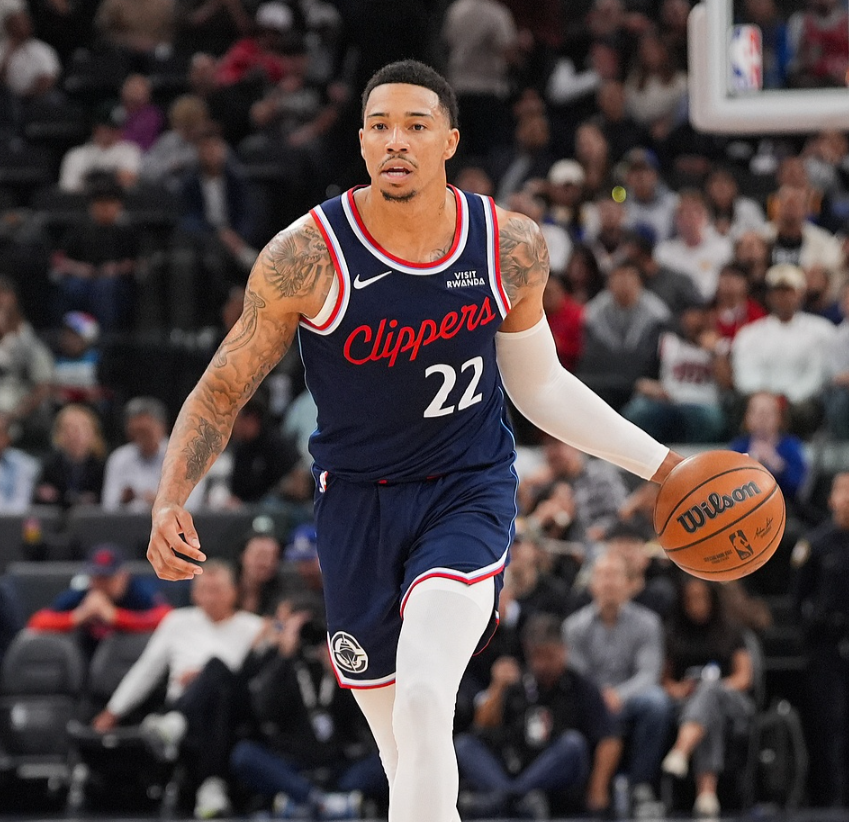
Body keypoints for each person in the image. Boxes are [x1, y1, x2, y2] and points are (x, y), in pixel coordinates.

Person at [145, 60, 682, 822]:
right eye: (379, 127)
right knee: (404, 754)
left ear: (449, 141)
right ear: (362, 143)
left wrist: (663, 466)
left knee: (427, 696)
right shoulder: (306, 256)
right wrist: (170, 497)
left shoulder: (506, 245)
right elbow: (222, 389)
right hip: (355, 506)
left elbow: (540, 387)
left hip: (466, 490)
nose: (395, 140)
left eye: (415, 126)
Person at [91, 560, 264, 819]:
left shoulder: (253, 627)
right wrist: (113, 711)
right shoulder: (177, 622)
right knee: (210, 689)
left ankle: (175, 723)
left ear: (233, 592)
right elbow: (146, 670)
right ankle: (211, 786)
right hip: (186, 704)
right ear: (194, 594)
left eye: (217, 590)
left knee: (215, 669)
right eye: (204, 590)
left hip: (233, 713)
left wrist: (204, 676)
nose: (211, 597)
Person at [454, 613, 621, 817]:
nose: (542, 664)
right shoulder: (517, 683)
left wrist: (598, 789)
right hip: (515, 766)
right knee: (464, 745)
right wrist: (497, 687)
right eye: (536, 656)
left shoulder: (581, 686)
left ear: (563, 650)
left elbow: (609, 739)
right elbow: (482, 725)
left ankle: (504, 799)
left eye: (549, 656)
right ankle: (515, 798)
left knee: (573, 744)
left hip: (557, 776)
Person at [563, 550, 673, 814]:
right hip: (591, 701)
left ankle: (640, 786)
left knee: (657, 702)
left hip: (631, 698)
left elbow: (649, 674)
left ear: (629, 583)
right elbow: (577, 676)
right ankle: (576, 790)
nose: (608, 583)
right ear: (591, 584)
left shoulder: (648, 623)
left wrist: (618, 696)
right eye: (602, 576)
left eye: (614, 576)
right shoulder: (573, 627)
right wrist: (599, 697)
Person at [660, 578, 755, 817]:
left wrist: (712, 688)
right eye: (691, 599)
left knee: (709, 694)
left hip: (732, 700)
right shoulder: (673, 633)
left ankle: (682, 749)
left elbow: (744, 678)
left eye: (702, 598)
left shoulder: (731, 630)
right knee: (708, 714)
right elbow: (666, 681)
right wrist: (679, 689)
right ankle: (706, 794)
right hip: (690, 703)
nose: (697, 605)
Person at [792, 472, 849, 806]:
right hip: (827, 645)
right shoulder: (815, 544)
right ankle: (831, 799)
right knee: (830, 723)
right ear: (830, 499)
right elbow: (799, 599)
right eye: (843, 490)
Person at [28, 544, 171, 657]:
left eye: (107, 578)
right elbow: (38, 621)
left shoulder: (136, 591)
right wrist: (78, 616)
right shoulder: (84, 594)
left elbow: (167, 618)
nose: (101, 584)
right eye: (97, 577)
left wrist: (115, 616)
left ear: (123, 576)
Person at [102, 396, 208, 512]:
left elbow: (193, 504)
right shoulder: (119, 458)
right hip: (128, 521)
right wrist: (123, 499)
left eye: (144, 432)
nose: (140, 438)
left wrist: (157, 501)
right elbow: (108, 505)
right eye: (135, 432)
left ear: (161, 427)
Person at [33, 403, 106, 508]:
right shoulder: (49, 467)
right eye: (68, 428)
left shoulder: (103, 467)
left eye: (82, 428)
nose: (75, 434)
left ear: (93, 433)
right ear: (58, 434)